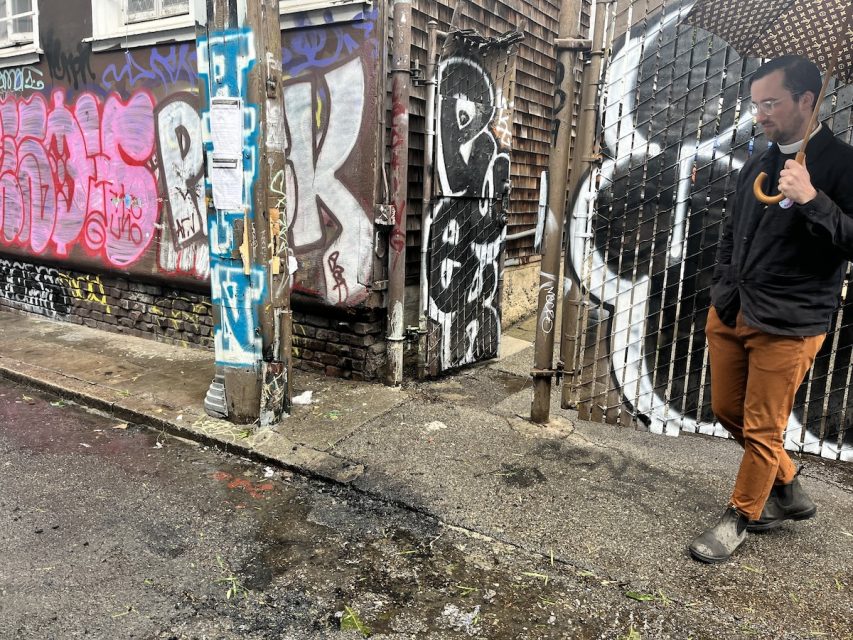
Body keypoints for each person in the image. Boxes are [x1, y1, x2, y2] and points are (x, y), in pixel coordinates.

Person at [688, 55, 853, 563]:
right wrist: (721, 292)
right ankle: (789, 484)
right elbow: (731, 236)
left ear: (807, 100)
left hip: (790, 322)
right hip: (735, 310)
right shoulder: (759, 163)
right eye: (756, 104)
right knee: (725, 410)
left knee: (762, 426)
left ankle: (742, 515)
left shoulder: (843, 165)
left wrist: (813, 199)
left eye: (771, 103)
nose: (759, 114)